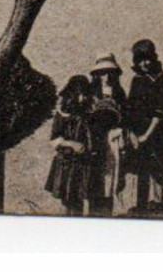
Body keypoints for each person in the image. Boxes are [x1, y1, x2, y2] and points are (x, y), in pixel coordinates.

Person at [122, 38, 163, 210]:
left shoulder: (162, 78)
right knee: (142, 170)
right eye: (140, 60)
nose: (144, 63)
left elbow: (162, 110)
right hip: (138, 133)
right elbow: (129, 108)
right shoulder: (137, 80)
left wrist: (147, 135)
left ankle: (159, 204)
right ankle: (141, 206)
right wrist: (132, 133)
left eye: (147, 59)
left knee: (158, 169)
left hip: (157, 132)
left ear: (153, 58)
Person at [44, 75, 95, 215]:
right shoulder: (63, 114)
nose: (83, 98)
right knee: (67, 201)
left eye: (85, 94)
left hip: (82, 164)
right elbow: (54, 139)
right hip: (67, 163)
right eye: (80, 94)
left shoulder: (87, 114)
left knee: (78, 201)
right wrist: (72, 144)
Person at [85, 53, 127, 215]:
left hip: (112, 138)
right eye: (103, 72)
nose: (106, 76)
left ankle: (106, 213)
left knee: (110, 176)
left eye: (110, 72)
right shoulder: (90, 92)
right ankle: (93, 213)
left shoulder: (119, 92)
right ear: (97, 74)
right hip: (94, 138)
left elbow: (125, 115)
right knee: (94, 176)